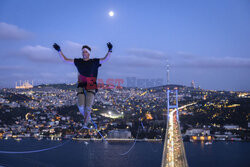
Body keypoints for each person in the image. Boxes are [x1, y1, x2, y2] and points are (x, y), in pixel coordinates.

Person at [53, 42, 113, 127]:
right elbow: (65, 60)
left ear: (89, 53)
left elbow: (105, 59)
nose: (84, 53)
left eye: (85, 52)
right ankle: (87, 117)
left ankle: (86, 122)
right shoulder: (78, 61)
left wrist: (110, 50)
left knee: (88, 107)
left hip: (91, 85)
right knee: (81, 106)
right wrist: (59, 50)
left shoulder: (94, 61)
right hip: (81, 85)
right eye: (83, 52)